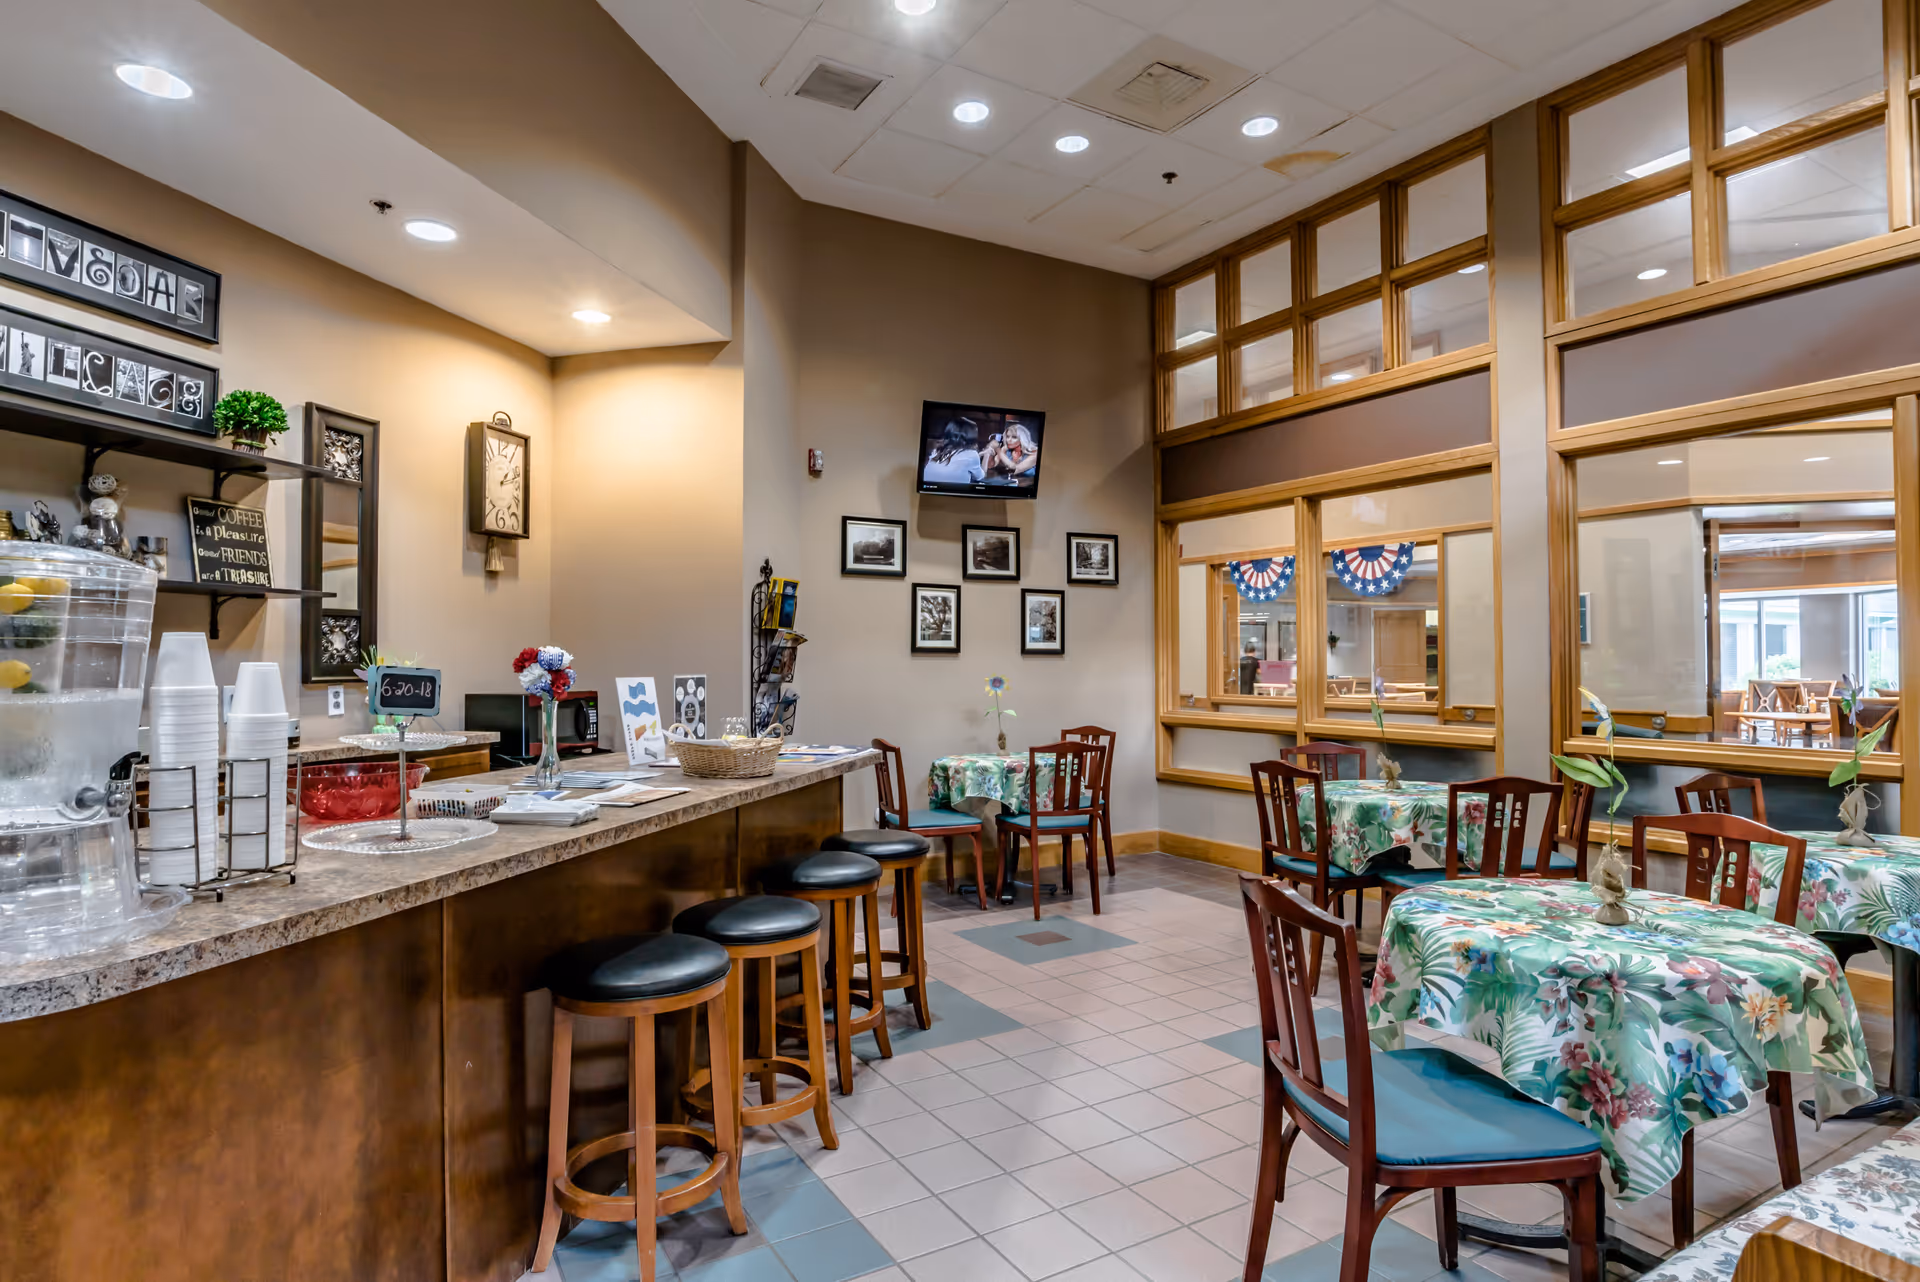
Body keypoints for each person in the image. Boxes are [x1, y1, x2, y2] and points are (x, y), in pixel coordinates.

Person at [921, 416, 985, 486]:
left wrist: (980, 454)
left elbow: (958, 460)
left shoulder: (937, 450)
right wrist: (987, 455)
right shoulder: (972, 454)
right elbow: (980, 477)